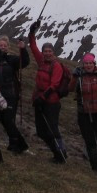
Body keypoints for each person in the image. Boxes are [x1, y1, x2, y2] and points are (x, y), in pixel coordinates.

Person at [28, 21, 67, 163]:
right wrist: (32, 32)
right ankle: (56, 151)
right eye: (45, 51)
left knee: (53, 129)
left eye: (50, 51)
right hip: (40, 101)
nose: (47, 53)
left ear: (53, 53)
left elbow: (55, 84)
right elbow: (33, 46)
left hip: (51, 102)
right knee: (40, 131)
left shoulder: (57, 66)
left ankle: (60, 153)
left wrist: (42, 97)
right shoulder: (41, 61)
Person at [73, 53, 97, 175]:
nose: (88, 65)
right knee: (90, 142)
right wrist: (74, 76)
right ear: (83, 64)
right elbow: (70, 88)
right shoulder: (79, 77)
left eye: (90, 63)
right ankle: (96, 169)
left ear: (94, 64)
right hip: (84, 114)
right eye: (86, 63)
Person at [0, 35, 30, 153]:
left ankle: (15, 145)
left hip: (11, 94)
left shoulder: (11, 59)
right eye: (1, 45)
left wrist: (23, 49)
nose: (3, 47)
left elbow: (24, 62)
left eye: (5, 45)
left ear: (8, 47)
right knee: (2, 120)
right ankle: (21, 144)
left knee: (9, 120)